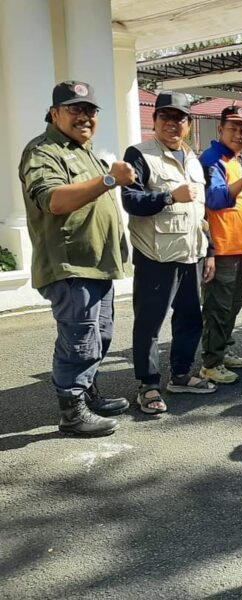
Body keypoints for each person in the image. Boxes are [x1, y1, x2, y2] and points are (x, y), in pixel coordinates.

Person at [19, 80, 134, 436]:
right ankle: (72, 411)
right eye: (74, 109)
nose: (84, 116)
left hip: (97, 264)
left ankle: (87, 393)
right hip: (71, 266)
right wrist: (109, 180)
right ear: (55, 113)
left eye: (90, 110)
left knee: (100, 336)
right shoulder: (43, 151)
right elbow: (54, 200)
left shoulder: (85, 150)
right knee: (79, 340)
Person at [122, 91, 217, 415]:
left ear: (189, 124)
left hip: (191, 254)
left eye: (180, 118)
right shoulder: (140, 154)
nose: (172, 123)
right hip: (156, 256)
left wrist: (210, 250)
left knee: (190, 318)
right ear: (155, 119)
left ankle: (181, 375)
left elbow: (201, 213)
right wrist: (168, 196)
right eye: (166, 116)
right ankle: (148, 385)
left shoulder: (192, 159)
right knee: (150, 323)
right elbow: (130, 201)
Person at [198, 106, 242, 385]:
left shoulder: (232, 160)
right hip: (222, 249)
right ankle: (211, 364)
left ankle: (222, 351)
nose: (239, 134)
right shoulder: (212, 159)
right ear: (221, 129)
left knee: (232, 306)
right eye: (233, 128)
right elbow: (214, 200)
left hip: (239, 249)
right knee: (218, 309)